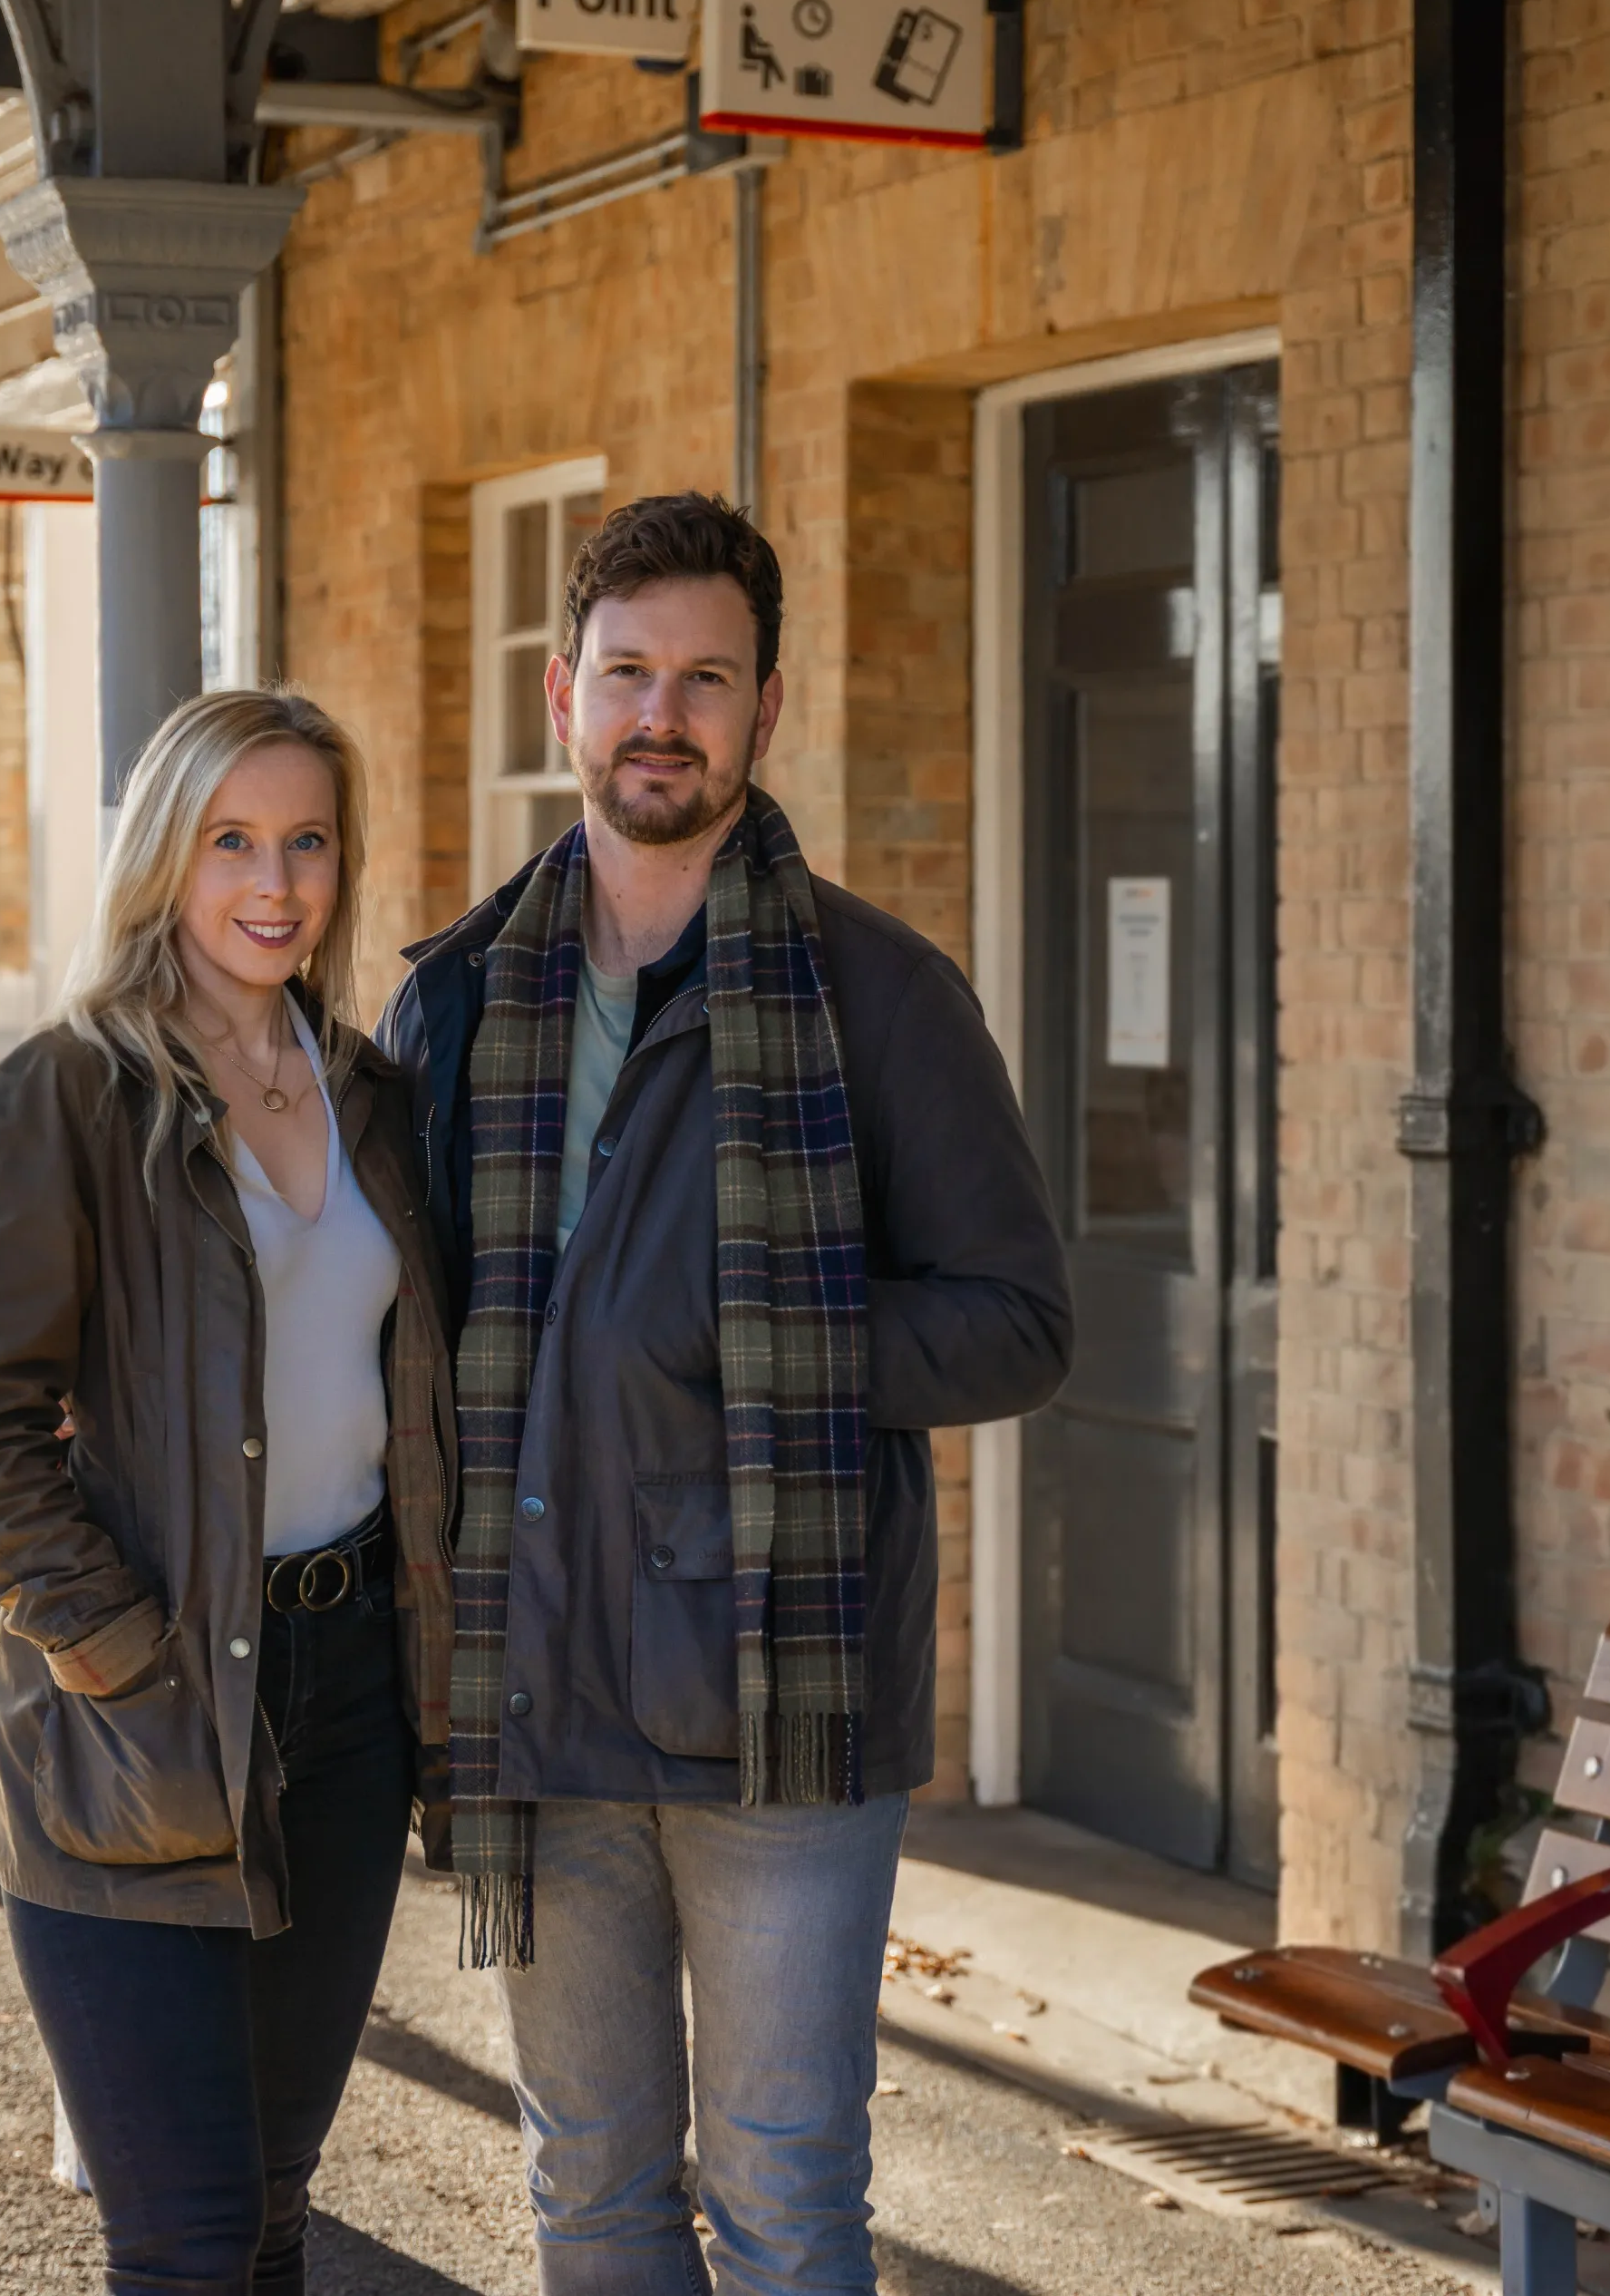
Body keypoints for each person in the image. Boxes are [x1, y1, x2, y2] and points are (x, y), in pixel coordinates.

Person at [379, 491, 1070, 2296]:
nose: (661, 713)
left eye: (706, 676)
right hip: (540, 1700)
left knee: (781, 2207)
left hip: (785, 1712)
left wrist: (757, 1327)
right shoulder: (450, 1004)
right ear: (561, 698)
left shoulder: (884, 998)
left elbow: (1018, 1321)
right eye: (627, 674)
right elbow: (379, 1339)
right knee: (589, 2197)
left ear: (771, 710)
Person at [0, 688, 456, 2296]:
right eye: (232, 840)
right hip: (133, 1722)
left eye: (306, 841)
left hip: (347, 1705)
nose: (273, 881)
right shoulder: (67, 1098)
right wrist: (120, 1654)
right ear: (164, 856)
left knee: (273, 2217)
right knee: (186, 2243)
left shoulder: (370, 1097)